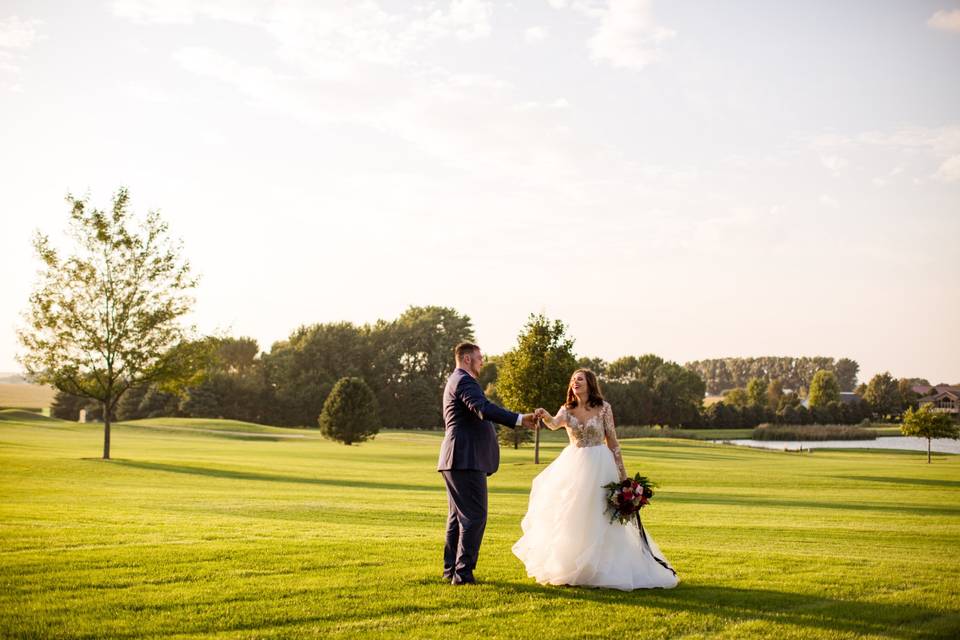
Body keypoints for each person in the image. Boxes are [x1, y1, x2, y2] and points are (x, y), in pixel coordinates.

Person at [512, 368, 678, 590]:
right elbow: (553, 424)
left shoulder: (603, 408)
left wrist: (623, 477)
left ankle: (605, 569)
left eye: (579, 379)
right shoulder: (567, 409)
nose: (575, 382)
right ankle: (573, 569)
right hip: (573, 465)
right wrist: (545, 415)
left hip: (601, 465)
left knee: (602, 516)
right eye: (572, 380)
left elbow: (613, 442)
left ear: (590, 383)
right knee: (574, 515)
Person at [438, 342, 537, 585]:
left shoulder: (456, 380)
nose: (482, 361)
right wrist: (519, 419)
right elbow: (482, 409)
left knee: (457, 518)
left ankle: (451, 570)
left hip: (457, 458)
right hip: (465, 459)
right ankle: (462, 574)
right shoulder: (464, 381)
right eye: (480, 358)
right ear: (468, 359)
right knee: (474, 516)